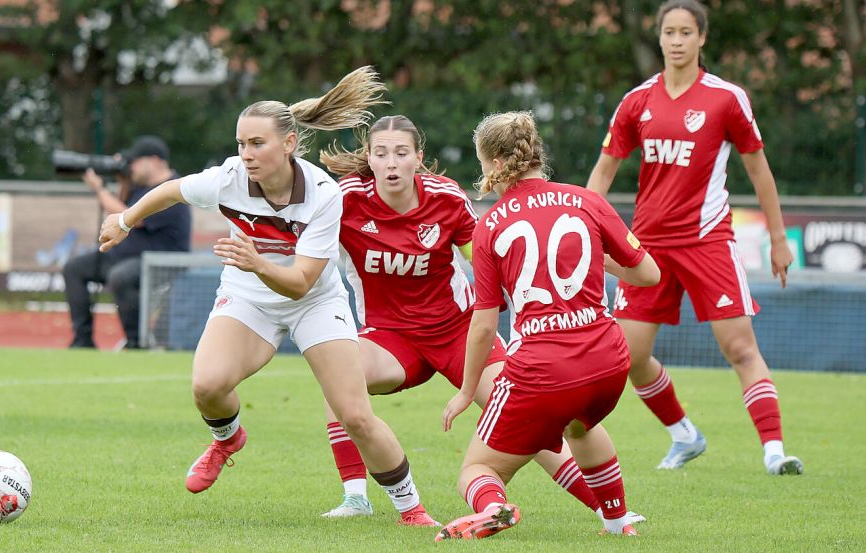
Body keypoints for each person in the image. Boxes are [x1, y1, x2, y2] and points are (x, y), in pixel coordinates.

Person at [97, 67, 439, 526]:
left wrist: (257, 260)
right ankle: (227, 441)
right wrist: (124, 222)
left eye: (257, 144)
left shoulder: (322, 193)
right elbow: (170, 190)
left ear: (289, 144)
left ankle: (411, 510)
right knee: (207, 386)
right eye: (241, 144)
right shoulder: (228, 178)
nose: (246, 154)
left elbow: (300, 282)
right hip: (249, 297)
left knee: (354, 413)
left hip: (314, 302)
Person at [317, 114, 644, 527]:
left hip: (459, 331)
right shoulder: (344, 199)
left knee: (533, 417)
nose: (391, 162)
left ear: (418, 158)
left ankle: (606, 510)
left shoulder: (447, 198)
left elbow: (496, 258)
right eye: (381, 154)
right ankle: (359, 497)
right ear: (369, 158)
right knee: (339, 378)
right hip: (390, 337)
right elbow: (303, 245)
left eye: (401, 153)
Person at [586, 0, 803, 475]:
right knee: (629, 356)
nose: (678, 40)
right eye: (670, 32)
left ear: (702, 38)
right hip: (646, 249)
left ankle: (774, 452)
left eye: (687, 32)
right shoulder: (636, 101)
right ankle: (684, 435)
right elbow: (603, 172)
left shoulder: (726, 98)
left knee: (741, 349)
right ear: (660, 38)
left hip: (708, 242)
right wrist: (584, 231)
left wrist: (779, 238)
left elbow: (758, 170)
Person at [436, 111, 661, 540]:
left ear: (497, 165)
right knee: (580, 426)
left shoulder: (490, 226)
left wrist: (467, 391)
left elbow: (484, 326)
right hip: (608, 360)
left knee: (477, 468)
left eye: (483, 162)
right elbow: (649, 274)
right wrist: (599, 259)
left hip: (542, 369)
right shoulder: (586, 200)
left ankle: (495, 507)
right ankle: (617, 524)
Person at [63, 135, 191, 350]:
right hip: (127, 257)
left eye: (136, 162)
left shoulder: (171, 189)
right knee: (74, 269)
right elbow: (121, 207)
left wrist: (99, 189)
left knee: (120, 277)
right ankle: (82, 340)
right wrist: (123, 181)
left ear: (154, 160)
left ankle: (136, 342)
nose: (132, 166)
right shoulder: (140, 187)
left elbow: (131, 218)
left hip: (161, 263)